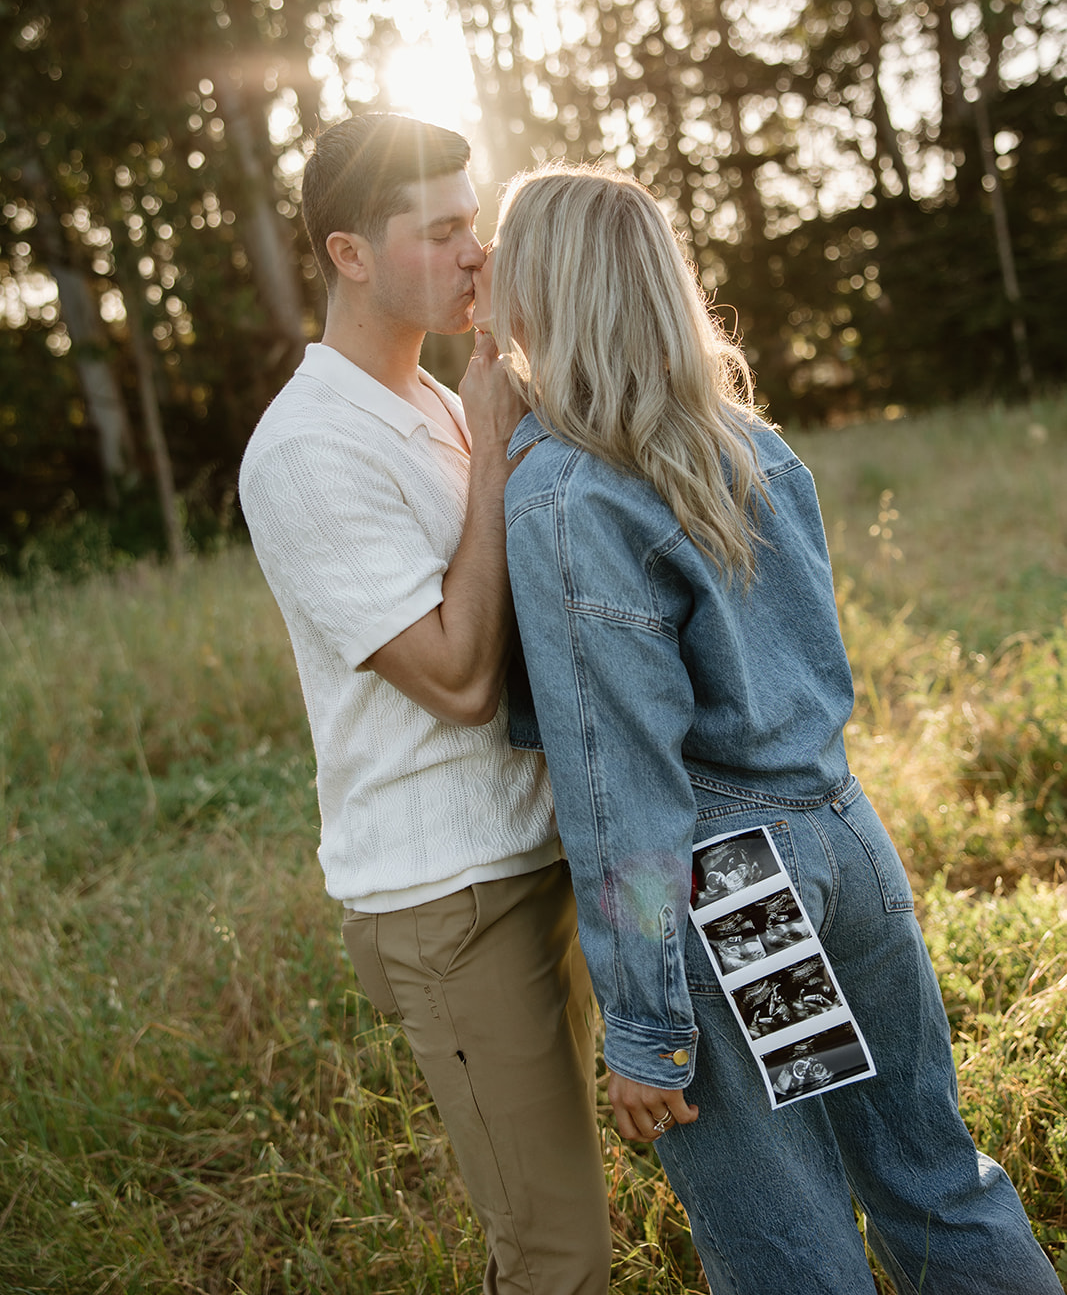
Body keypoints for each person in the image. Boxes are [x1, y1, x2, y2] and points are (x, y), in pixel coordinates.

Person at [475, 162, 1061, 1295]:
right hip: (840, 839)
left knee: (787, 1248)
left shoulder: (563, 493)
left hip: (733, 885)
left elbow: (617, 784)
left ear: (540, 289)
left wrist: (643, 1024)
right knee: (932, 1181)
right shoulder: (745, 442)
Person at [238, 117, 611, 1295]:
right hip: (446, 901)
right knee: (554, 1254)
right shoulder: (305, 448)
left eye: (478, 224)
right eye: (442, 231)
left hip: (540, 851)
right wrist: (498, 447)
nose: (476, 256)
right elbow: (454, 675)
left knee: (574, 1208)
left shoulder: (445, 402)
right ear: (350, 254)